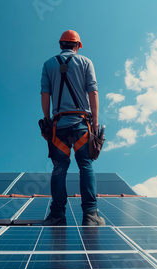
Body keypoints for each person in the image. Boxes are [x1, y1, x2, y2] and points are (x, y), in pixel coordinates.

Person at [40, 30, 105, 226]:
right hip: (81, 125)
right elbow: (93, 92)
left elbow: (45, 94)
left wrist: (47, 121)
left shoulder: (48, 64)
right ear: (77, 46)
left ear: (61, 45)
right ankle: (91, 215)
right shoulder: (86, 62)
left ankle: (57, 215)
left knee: (59, 169)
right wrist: (94, 124)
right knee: (86, 165)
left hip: (58, 126)